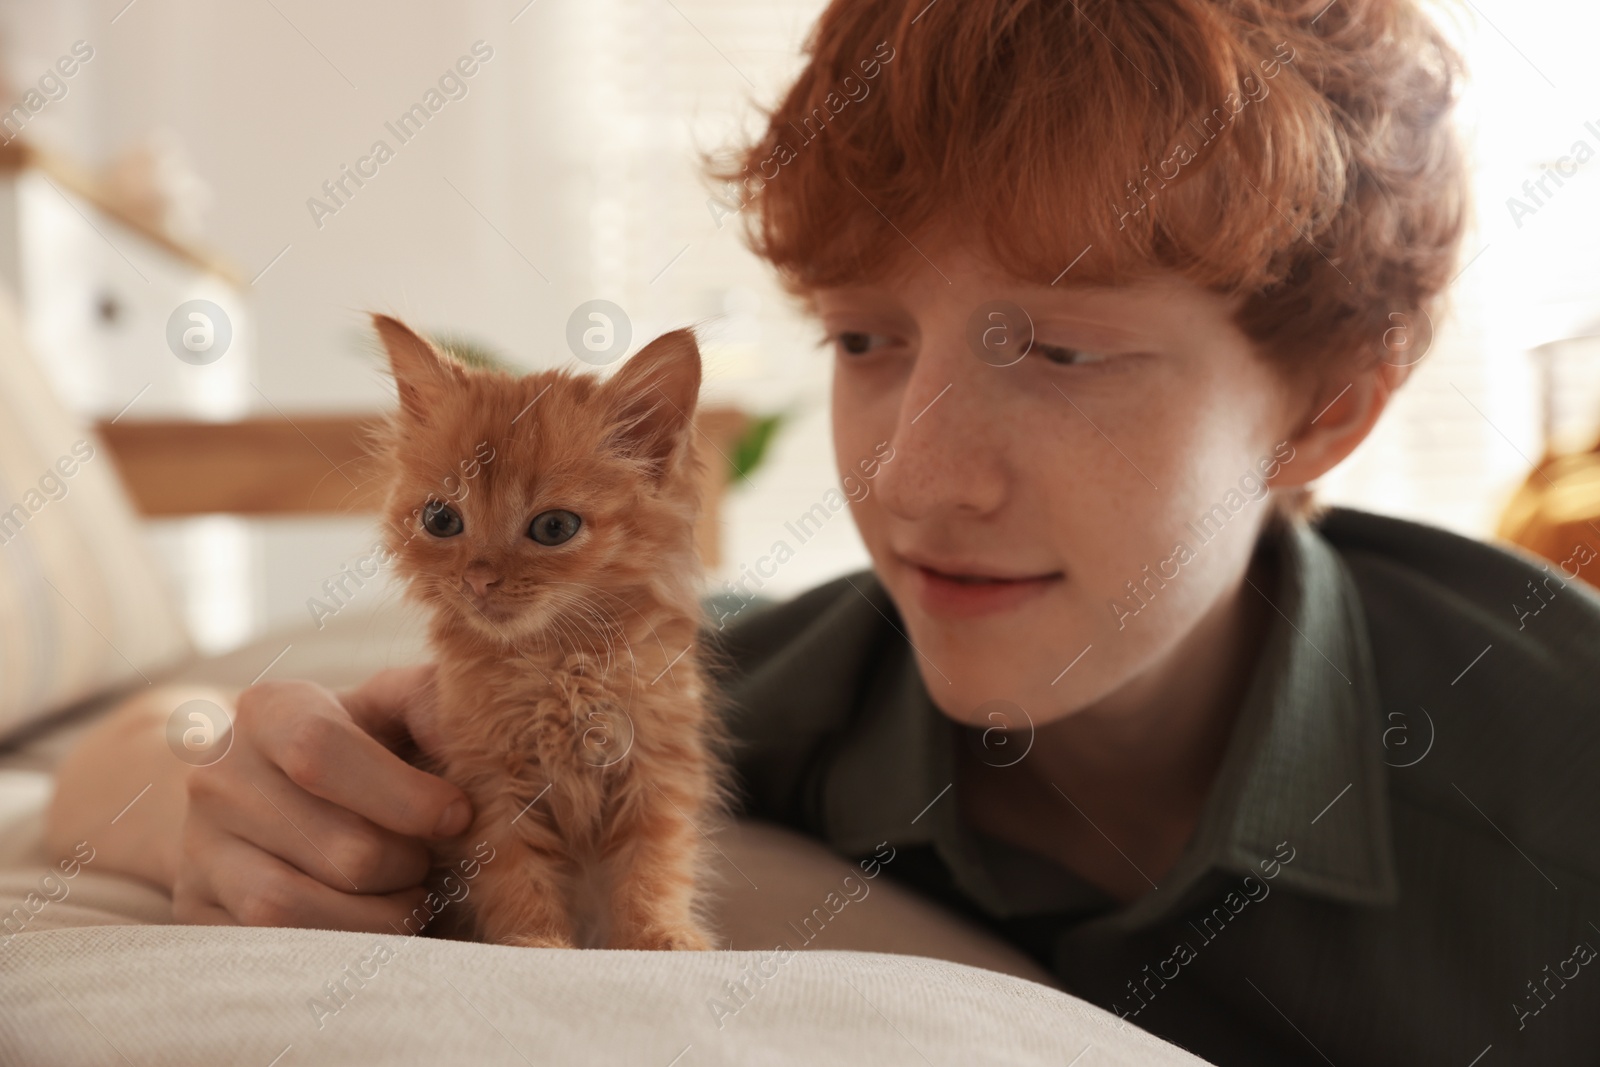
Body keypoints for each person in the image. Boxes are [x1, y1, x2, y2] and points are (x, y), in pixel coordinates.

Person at [46, 0, 1600, 1063]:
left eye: (1057, 353)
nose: (915, 485)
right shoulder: (778, 693)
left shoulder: (1556, 769)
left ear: (1326, 411)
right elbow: (111, 757)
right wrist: (250, 782)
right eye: (865, 342)